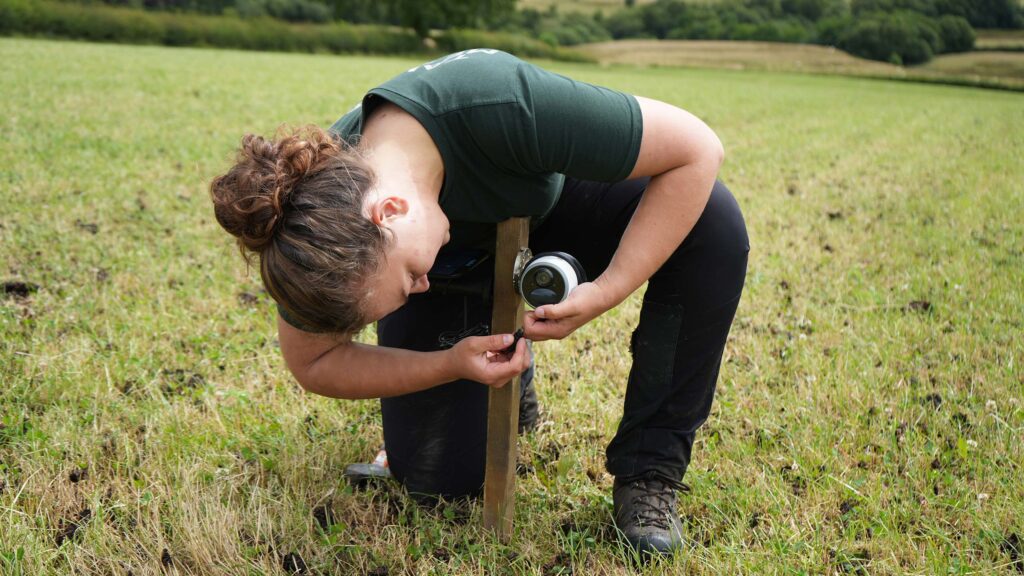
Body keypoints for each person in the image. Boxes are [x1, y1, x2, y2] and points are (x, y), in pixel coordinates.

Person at [209, 48, 749, 556]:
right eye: (401, 296)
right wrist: (445, 364)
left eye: (410, 280)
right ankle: (512, 377)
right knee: (438, 480)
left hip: (547, 204)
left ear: (391, 210)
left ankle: (649, 472)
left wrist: (606, 291)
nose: (417, 290)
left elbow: (698, 149)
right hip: (457, 258)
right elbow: (314, 362)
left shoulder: (498, 100)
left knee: (712, 224)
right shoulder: (316, 232)